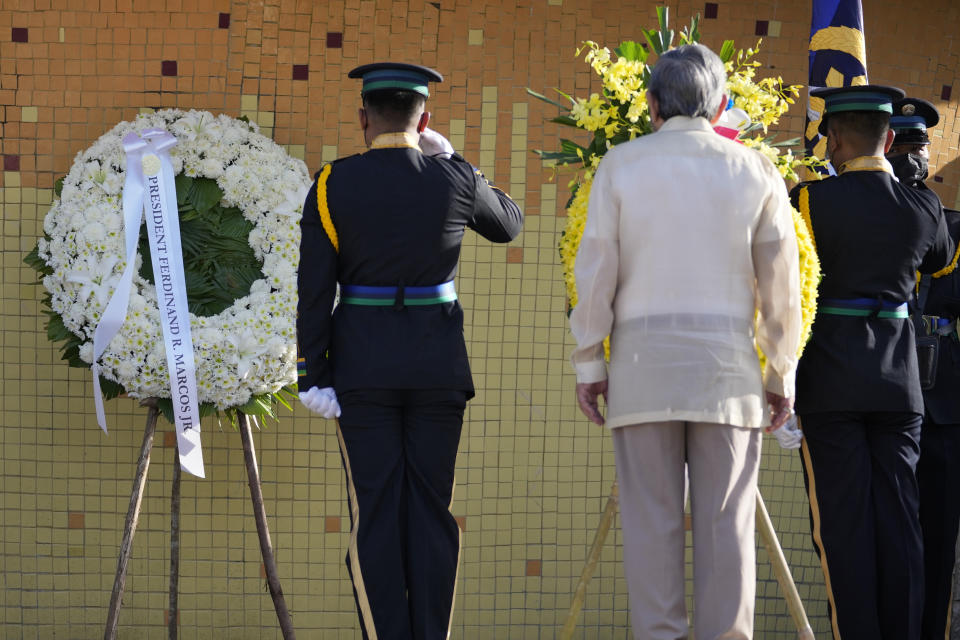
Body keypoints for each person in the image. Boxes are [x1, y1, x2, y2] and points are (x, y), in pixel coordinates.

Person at [570, 43, 802, 640]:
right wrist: (781, 374)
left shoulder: (619, 165)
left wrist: (590, 361)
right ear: (722, 103)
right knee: (728, 529)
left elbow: (595, 273)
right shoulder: (755, 169)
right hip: (727, 375)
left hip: (642, 370)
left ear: (650, 104)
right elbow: (781, 288)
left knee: (651, 526)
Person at [296, 62, 523, 639]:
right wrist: (455, 162)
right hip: (436, 368)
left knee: (376, 512)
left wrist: (311, 373)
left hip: (361, 370)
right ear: (425, 118)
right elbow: (508, 225)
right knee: (430, 510)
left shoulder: (331, 183)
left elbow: (314, 288)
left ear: (363, 118)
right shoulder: (456, 177)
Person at [791, 85, 955, 640]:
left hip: (831, 380)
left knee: (843, 526)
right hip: (899, 382)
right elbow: (939, 262)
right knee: (901, 521)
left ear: (833, 139)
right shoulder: (924, 205)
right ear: (889, 138)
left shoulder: (809, 200)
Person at [886, 96, 960, 640]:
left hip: (945, 411)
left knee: (937, 546)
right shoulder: (862, 223)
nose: (916, 158)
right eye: (905, 145)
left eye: (923, 147)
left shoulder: (956, 227)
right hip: (881, 405)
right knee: (878, 543)